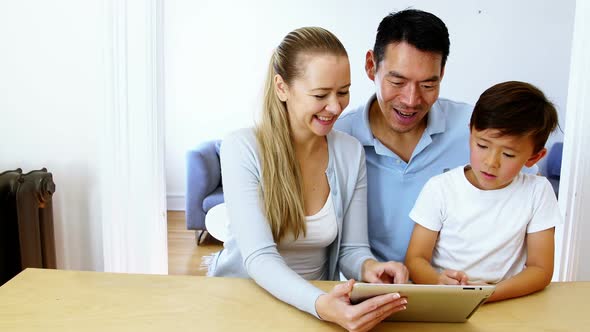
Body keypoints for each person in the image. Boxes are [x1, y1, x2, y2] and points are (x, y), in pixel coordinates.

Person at [208, 27, 408, 331]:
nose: (336, 107)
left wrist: (371, 268)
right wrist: (319, 304)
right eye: (320, 95)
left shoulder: (350, 152)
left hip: (317, 308)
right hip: (244, 303)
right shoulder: (243, 148)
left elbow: (352, 250)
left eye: (343, 92)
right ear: (282, 88)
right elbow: (259, 257)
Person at [334, 9, 536, 264]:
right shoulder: (339, 138)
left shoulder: (477, 129)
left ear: (441, 74)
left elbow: (528, 185)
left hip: (461, 289)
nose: (411, 100)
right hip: (373, 289)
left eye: (428, 85)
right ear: (371, 66)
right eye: (397, 82)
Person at [405, 81, 560, 302]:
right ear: (470, 132)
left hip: (506, 300)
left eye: (508, 154)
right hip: (446, 299)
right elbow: (415, 259)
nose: (491, 162)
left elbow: (540, 269)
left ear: (534, 157)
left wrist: (488, 294)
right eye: (482, 146)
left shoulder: (537, 192)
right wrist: (438, 281)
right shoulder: (440, 188)